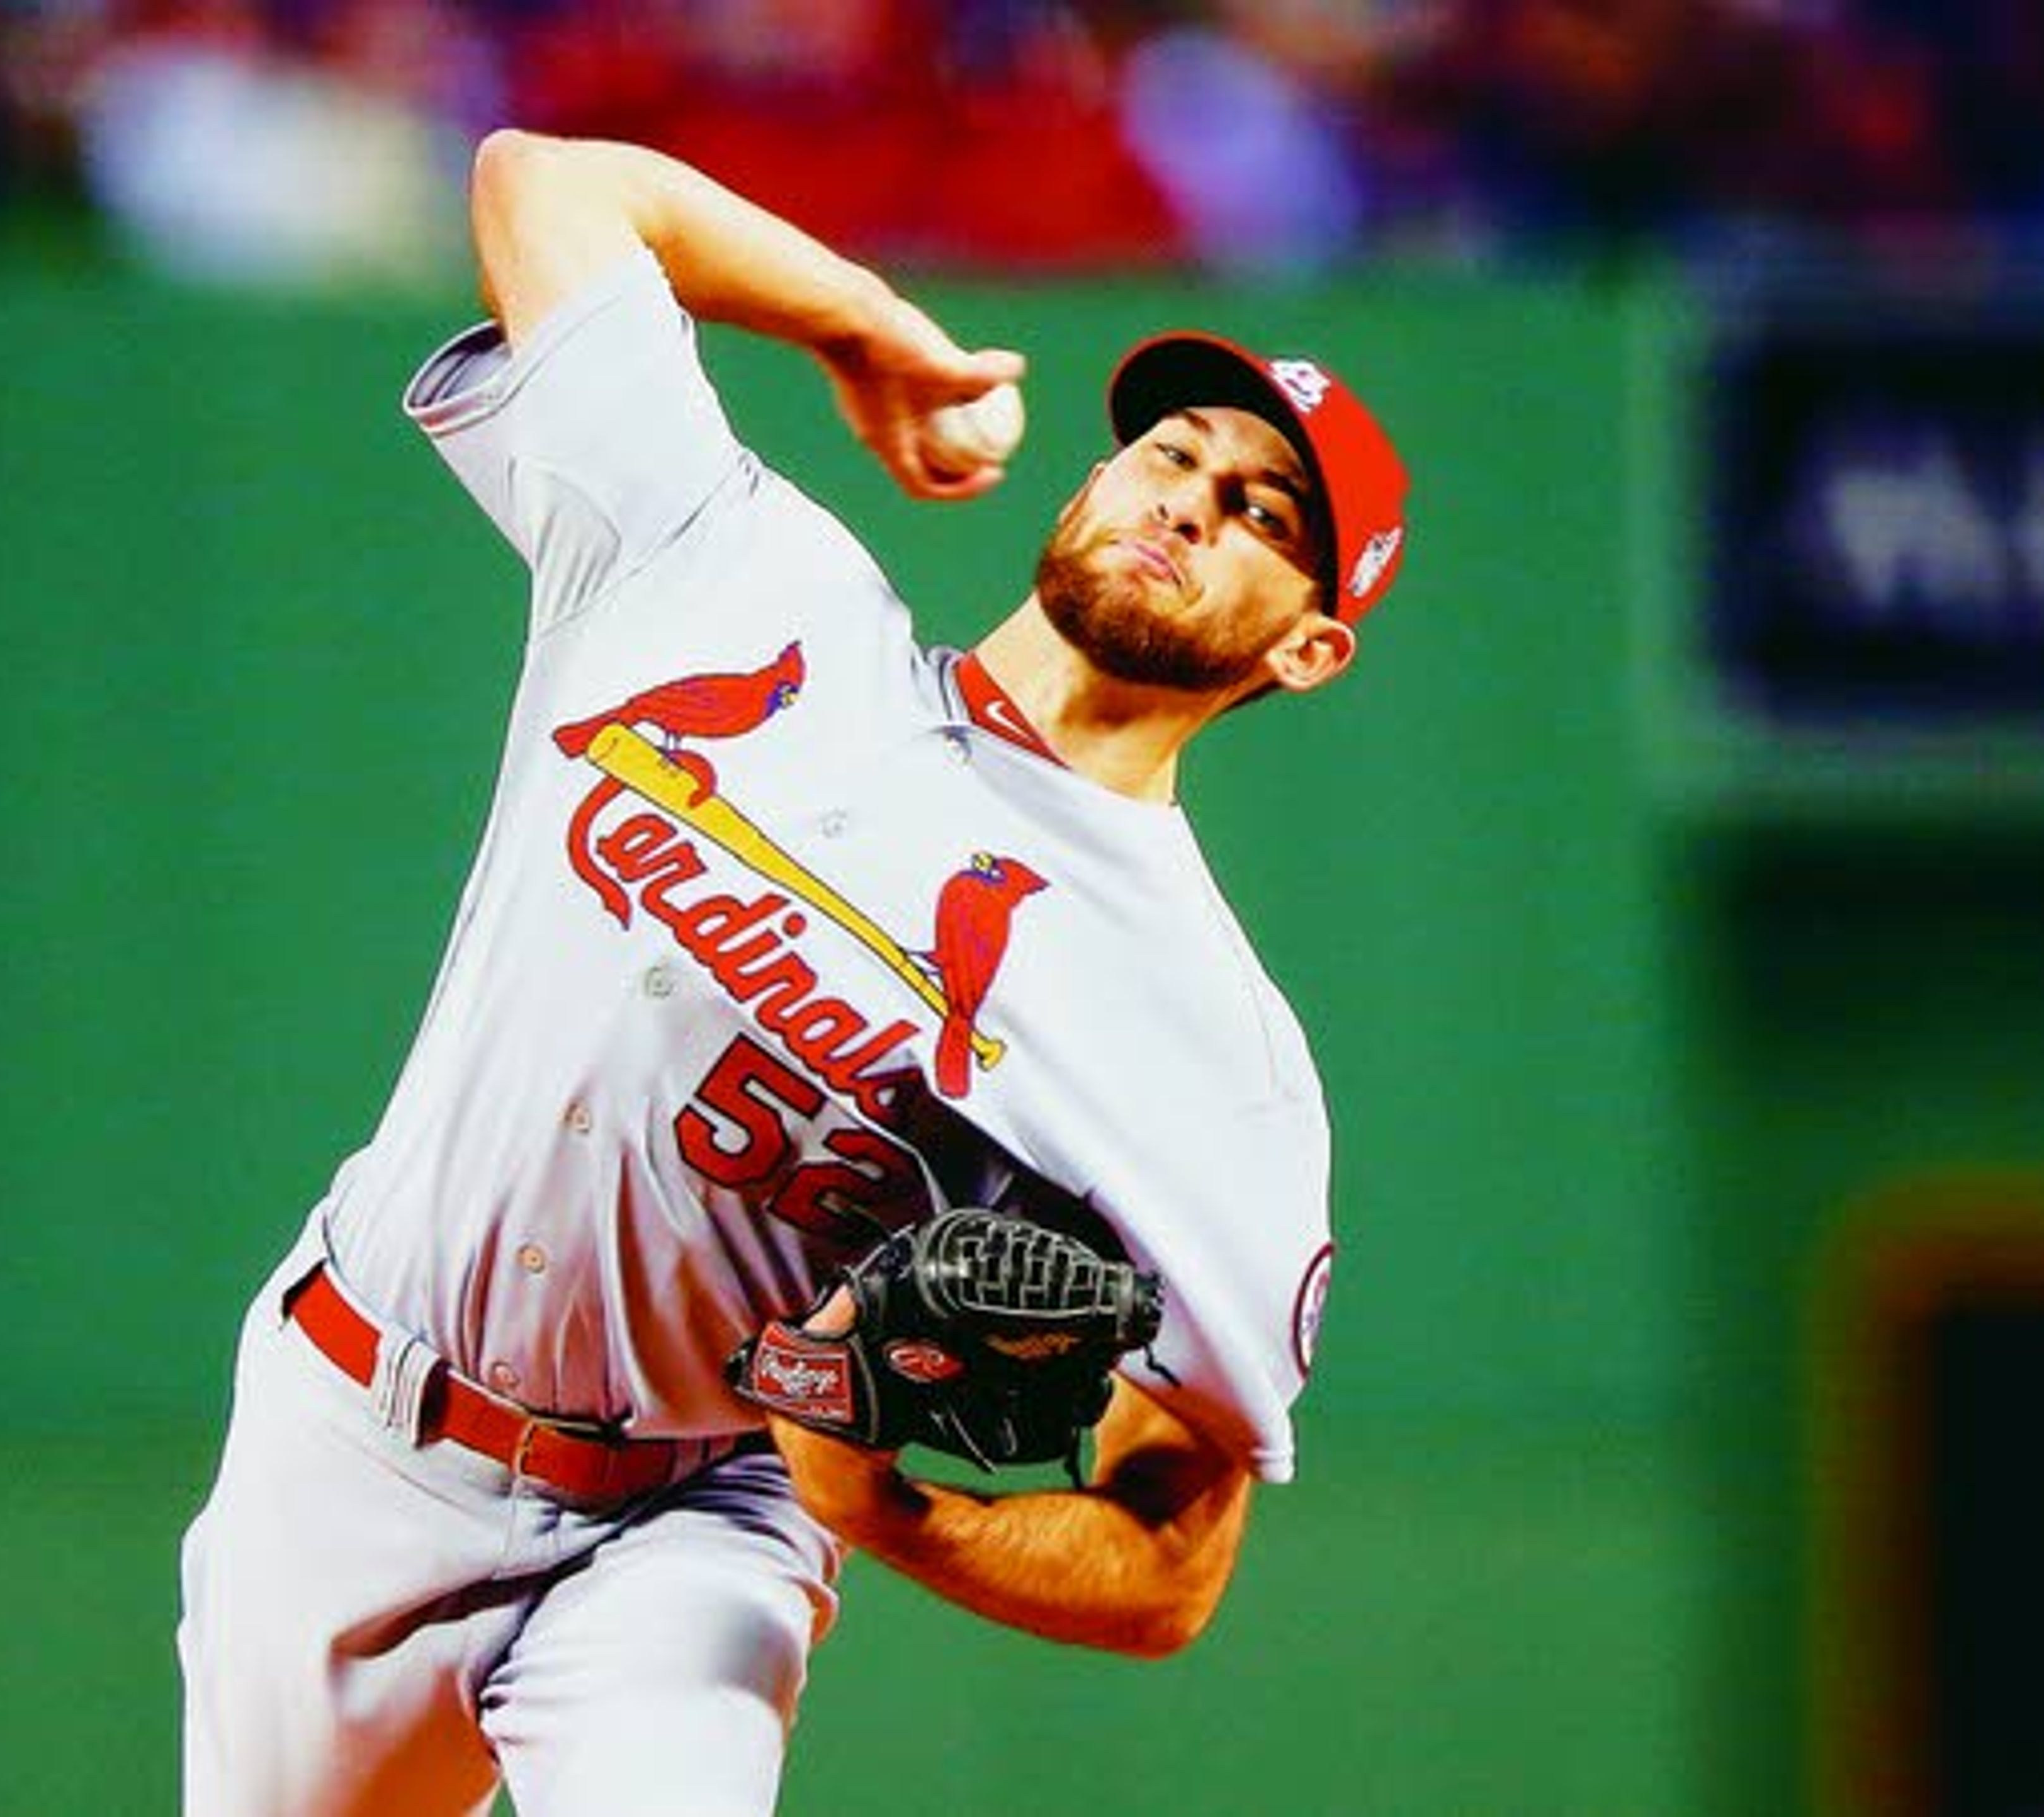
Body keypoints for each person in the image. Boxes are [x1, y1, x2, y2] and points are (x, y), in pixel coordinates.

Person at [177, 127, 1410, 1817]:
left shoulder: (1207, 1039)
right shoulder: (740, 575)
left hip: (694, 1518)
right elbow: (542, 186)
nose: (1187, 499)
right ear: (1100, 476)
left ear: (1308, 643)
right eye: (1173, 454)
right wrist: (859, 325)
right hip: (350, 1421)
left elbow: (1173, 1561)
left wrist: (897, 1510)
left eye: (1260, 512)